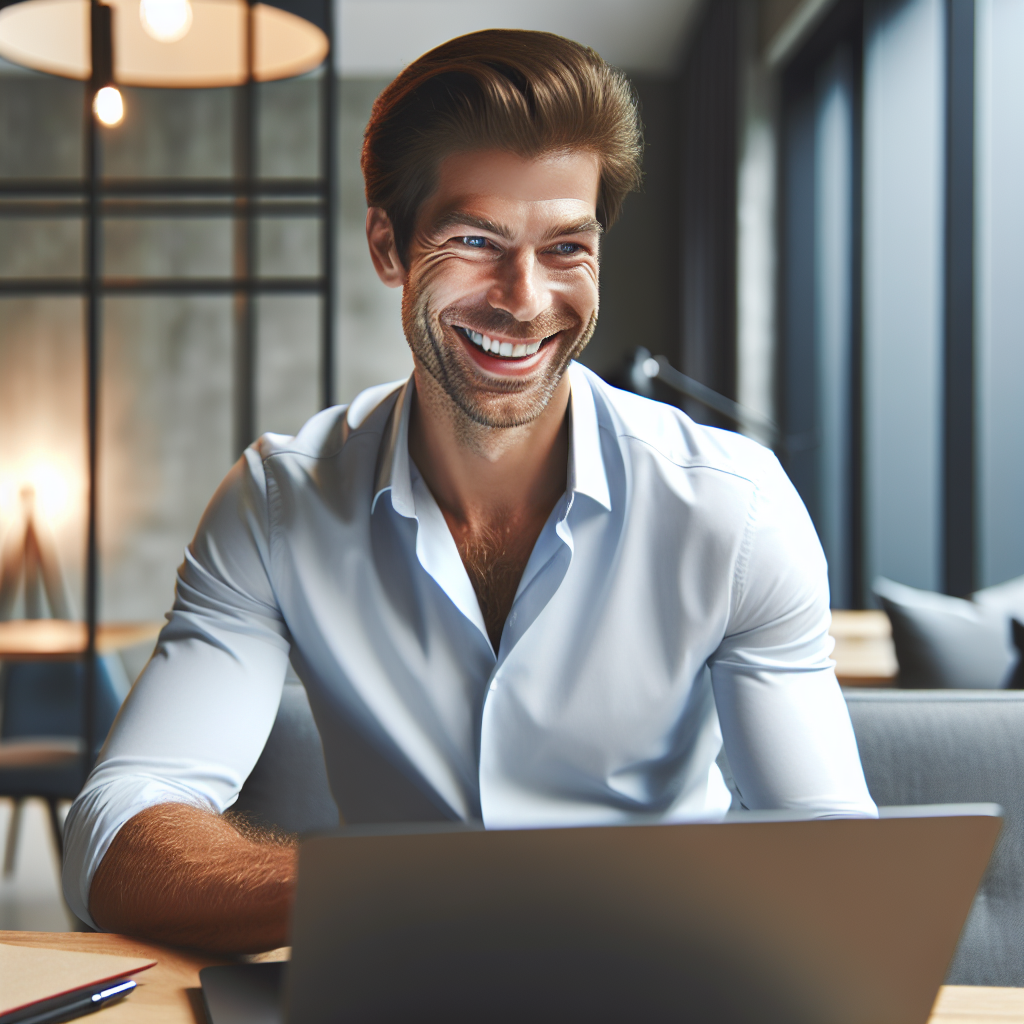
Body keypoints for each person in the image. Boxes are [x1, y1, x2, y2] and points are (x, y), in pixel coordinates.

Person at [63, 28, 876, 954]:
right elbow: (115, 830)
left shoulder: (737, 510)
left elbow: (833, 865)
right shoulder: (277, 504)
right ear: (387, 245)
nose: (525, 300)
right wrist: (404, 893)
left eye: (566, 246)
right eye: (475, 240)